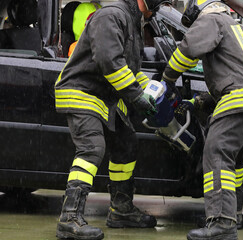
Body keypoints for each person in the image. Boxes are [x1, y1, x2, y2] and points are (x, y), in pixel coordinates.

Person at [54, 0, 170, 239]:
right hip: (82, 91)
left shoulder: (132, 21)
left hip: (104, 96)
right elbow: (109, 62)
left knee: (126, 145)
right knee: (92, 149)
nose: (157, 8)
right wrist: (137, 97)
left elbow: (129, 68)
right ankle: (69, 217)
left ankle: (121, 210)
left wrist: (150, 88)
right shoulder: (111, 15)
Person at [162, 0, 243, 239]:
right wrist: (197, 102)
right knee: (234, 163)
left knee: (216, 155)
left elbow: (188, 49)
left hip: (239, 98)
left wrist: (167, 79)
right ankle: (234, 215)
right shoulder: (237, 28)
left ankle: (221, 223)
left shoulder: (210, 19)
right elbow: (238, 74)